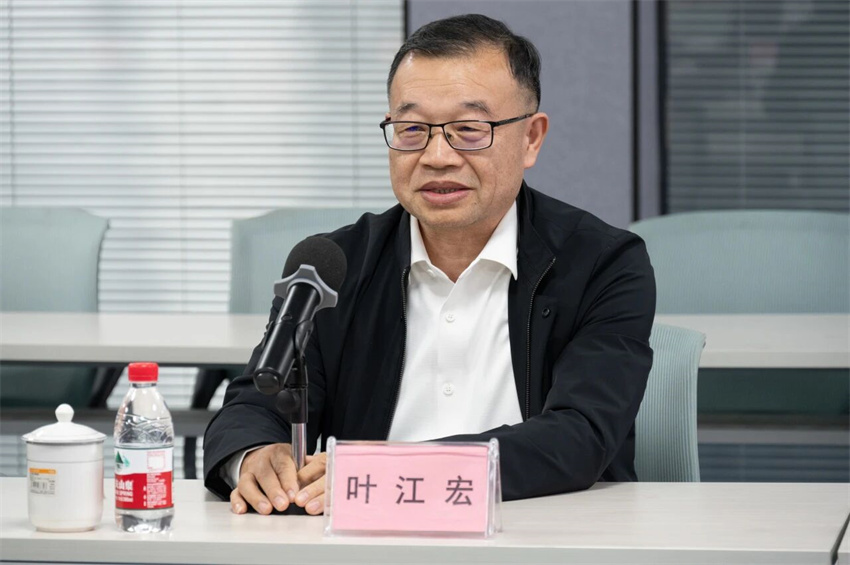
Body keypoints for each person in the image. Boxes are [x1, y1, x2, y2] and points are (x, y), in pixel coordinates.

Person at [203, 13, 655, 516]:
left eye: (469, 130)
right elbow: (253, 404)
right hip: (368, 540)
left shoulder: (602, 263)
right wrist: (255, 456)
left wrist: (396, 472)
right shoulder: (336, 264)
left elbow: (581, 434)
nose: (437, 156)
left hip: (545, 531)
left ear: (531, 138)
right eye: (413, 129)